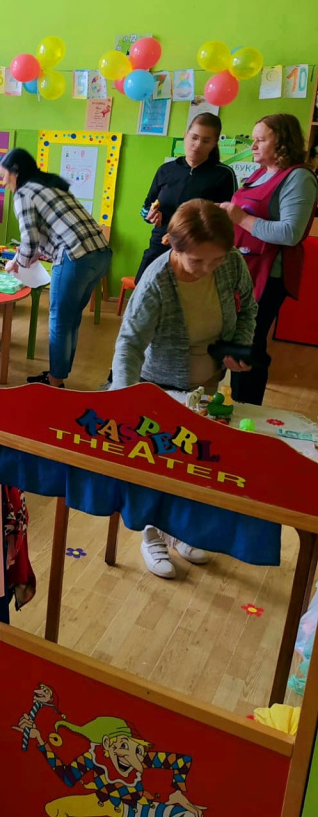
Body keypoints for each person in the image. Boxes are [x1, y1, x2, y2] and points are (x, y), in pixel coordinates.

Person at [111, 200, 257, 580]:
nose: (209, 268)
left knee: (193, 459)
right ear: (174, 247)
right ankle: (151, 533)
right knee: (158, 462)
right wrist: (124, 398)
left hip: (206, 382)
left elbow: (248, 308)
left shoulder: (231, 263)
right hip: (159, 385)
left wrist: (237, 346)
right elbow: (129, 344)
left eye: (216, 259)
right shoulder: (157, 282)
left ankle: (179, 529)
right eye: (198, 261)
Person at [220, 113, 318, 405]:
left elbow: (291, 233)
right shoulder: (259, 173)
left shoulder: (299, 178)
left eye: (261, 140)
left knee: (250, 342)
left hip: (268, 275)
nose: (253, 145)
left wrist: (241, 218)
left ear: (283, 143)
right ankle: (234, 404)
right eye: (253, 139)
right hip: (243, 269)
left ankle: (247, 408)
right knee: (238, 340)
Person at [0, 147, 112, 387]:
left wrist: (17, 263)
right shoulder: (51, 185)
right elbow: (51, 231)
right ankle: (58, 375)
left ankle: (55, 383)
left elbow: (29, 239)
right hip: (101, 255)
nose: (3, 182)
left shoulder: (24, 193)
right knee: (71, 318)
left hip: (75, 256)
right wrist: (29, 255)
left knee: (60, 321)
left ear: (15, 172)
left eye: (4, 175)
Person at [137, 113, 236, 282]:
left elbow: (227, 220)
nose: (197, 145)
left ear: (214, 143)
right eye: (194, 138)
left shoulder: (223, 174)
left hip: (197, 253)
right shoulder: (166, 170)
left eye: (206, 141)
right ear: (185, 135)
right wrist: (151, 215)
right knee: (146, 289)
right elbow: (146, 207)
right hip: (160, 245)